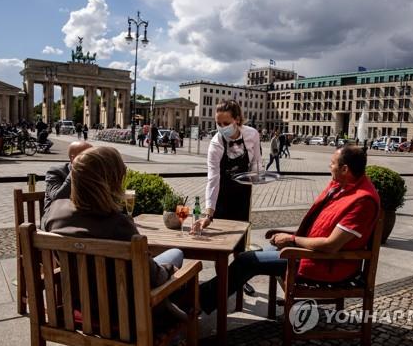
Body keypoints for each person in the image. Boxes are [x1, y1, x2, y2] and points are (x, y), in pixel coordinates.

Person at [199, 146, 380, 314]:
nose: (329, 166)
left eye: (332, 163)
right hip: (310, 255)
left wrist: (291, 240)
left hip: (326, 264)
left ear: (345, 169)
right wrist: (291, 238)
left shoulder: (362, 201)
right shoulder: (345, 187)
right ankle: (203, 296)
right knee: (250, 257)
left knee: (247, 260)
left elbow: (331, 245)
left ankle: (198, 301)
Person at [42, 146, 184, 328]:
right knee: (176, 254)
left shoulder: (54, 212)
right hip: (124, 316)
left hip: (78, 306)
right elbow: (153, 277)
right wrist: (169, 270)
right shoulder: (119, 224)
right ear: (109, 182)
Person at [192, 99, 262, 231]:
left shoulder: (252, 134)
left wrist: (256, 175)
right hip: (222, 194)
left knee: (240, 235)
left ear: (236, 119)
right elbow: (213, 180)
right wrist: (208, 215)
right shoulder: (215, 144)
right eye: (218, 123)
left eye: (226, 123)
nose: (222, 127)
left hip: (243, 193)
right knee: (221, 236)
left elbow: (256, 161)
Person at [42, 141, 93, 222]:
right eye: (89, 156)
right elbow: (57, 197)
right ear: (73, 158)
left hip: (84, 218)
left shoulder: (93, 173)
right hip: (56, 219)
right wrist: (76, 170)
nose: (93, 159)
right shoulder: (56, 171)